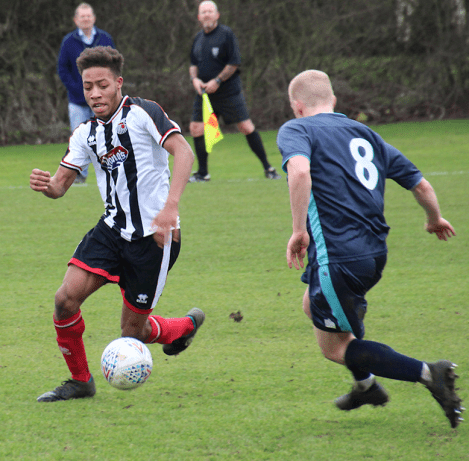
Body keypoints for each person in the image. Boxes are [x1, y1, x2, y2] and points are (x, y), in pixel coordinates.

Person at [278, 69, 463, 428]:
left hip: (338, 256)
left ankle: (429, 374)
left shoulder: (296, 128)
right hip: (373, 253)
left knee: (334, 347)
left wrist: (298, 230)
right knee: (310, 304)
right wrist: (434, 219)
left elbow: (299, 173)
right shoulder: (367, 134)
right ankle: (365, 385)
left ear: (296, 106)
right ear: (333, 100)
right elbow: (421, 185)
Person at [30, 46, 205, 402]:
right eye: (88, 86)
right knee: (64, 301)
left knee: (132, 333)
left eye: (103, 85)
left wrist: (171, 207)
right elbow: (61, 186)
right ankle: (80, 381)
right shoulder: (84, 133)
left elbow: (184, 152)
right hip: (111, 231)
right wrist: (46, 185)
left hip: (154, 238)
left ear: (118, 83)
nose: (95, 93)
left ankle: (183, 327)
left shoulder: (143, 112)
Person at [187, 0, 280, 182]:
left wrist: (218, 80)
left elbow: (234, 62)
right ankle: (203, 173)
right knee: (196, 129)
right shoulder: (197, 39)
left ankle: (268, 168)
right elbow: (193, 64)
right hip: (205, 94)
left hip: (228, 92)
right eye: (203, 12)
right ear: (199, 17)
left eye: (210, 11)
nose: (207, 15)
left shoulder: (226, 34)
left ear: (217, 15)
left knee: (245, 127)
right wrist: (195, 80)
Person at [57, 2, 115, 184]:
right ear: (76, 20)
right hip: (78, 101)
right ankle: (78, 175)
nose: (86, 19)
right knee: (79, 138)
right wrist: (78, 89)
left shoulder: (105, 38)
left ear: (94, 18)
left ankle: (111, 170)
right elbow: (62, 69)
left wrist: (106, 89)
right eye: (82, 16)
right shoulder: (69, 41)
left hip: (103, 100)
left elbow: (114, 66)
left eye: (88, 16)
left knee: (107, 134)